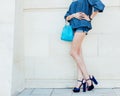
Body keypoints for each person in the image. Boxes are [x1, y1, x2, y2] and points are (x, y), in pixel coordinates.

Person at [64, 0, 105, 92]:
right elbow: (66, 17)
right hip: (74, 28)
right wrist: (74, 15)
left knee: (73, 52)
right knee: (78, 54)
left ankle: (88, 78)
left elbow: (100, 6)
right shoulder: (73, 2)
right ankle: (79, 80)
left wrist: (90, 18)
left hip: (82, 26)